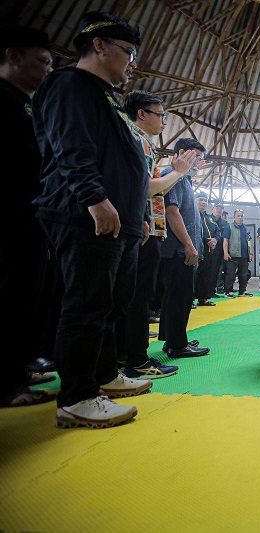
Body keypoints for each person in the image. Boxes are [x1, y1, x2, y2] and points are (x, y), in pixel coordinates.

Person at [33, 11, 154, 427]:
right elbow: (71, 148)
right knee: (85, 304)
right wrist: (95, 199)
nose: (132, 62)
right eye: (128, 52)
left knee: (108, 304)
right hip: (83, 214)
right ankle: (77, 396)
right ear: (99, 45)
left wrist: (135, 218)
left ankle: (103, 376)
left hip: (117, 221)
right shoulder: (70, 85)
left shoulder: (107, 98)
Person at [118, 90, 197, 379]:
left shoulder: (144, 143)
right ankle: (136, 359)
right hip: (138, 232)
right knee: (138, 297)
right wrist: (177, 172)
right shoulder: (134, 138)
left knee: (133, 297)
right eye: (160, 114)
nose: (164, 121)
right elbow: (147, 188)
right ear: (142, 114)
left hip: (142, 226)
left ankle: (125, 353)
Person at [0, 25, 58, 408]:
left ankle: (19, 368)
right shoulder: (2, 99)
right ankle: (6, 383)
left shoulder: (30, 105)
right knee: (8, 298)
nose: (48, 70)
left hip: (33, 215)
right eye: (42, 61)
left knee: (28, 299)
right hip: (10, 215)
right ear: (13, 56)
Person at [158, 138, 211, 358]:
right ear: (182, 153)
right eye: (197, 157)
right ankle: (177, 345)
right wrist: (189, 245)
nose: (199, 162)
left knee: (177, 297)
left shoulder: (185, 180)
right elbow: (172, 212)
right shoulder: (174, 177)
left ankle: (173, 338)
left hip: (182, 249)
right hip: (178, 249)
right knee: (180, 297)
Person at [195, 192, 221, 305]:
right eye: (201, 200)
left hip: (210, 251)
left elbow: (217, 231)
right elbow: (195, 231)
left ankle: (204, 298)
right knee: (194, 275)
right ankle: (189, 299)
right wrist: (207, 241)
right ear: (195, 200)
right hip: (196, 249)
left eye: (205, 200)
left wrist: (215, 240)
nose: (203, 202)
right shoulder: (192, 215)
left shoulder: (210, 218)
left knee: (207, 275)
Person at [222, 209, 254, 297]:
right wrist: (225, 252)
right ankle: (228, 292)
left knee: (243, 275)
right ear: (234, 217)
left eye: (241, 216)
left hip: (244, 256)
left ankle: (242, 291)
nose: (240, 217)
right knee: (230, 274)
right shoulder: (229, 227)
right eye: (238, 216)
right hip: (232, 255)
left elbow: (249, 242)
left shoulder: (246, 228)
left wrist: (250, 253)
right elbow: (225, 240)